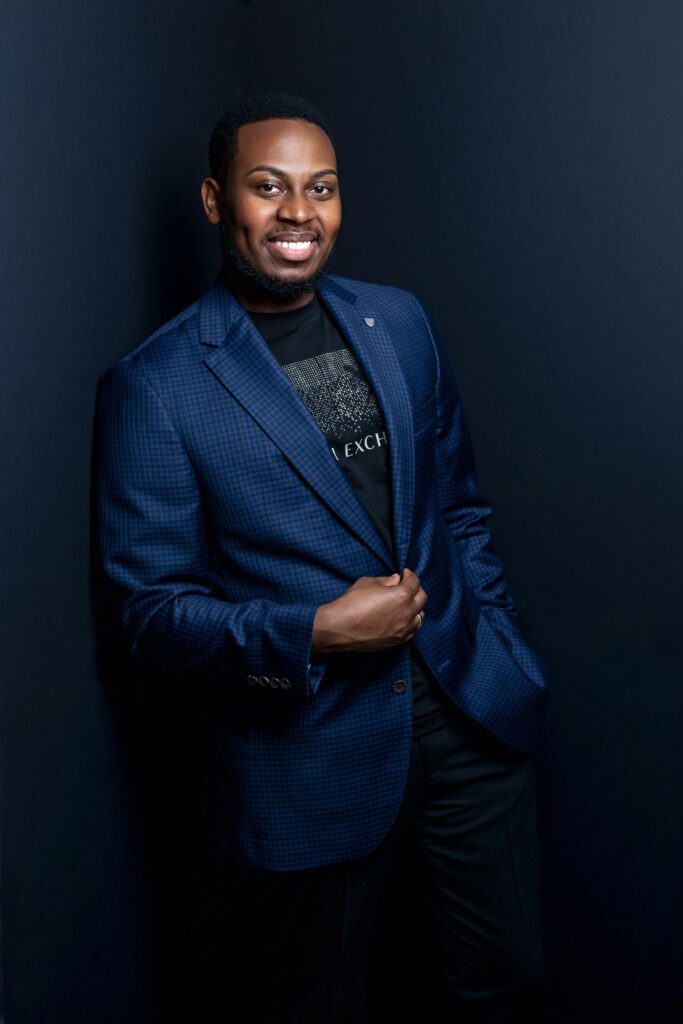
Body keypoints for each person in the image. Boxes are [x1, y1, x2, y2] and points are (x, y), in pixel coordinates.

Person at [93, 91, 550, 1023]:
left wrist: (497, 637)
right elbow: (147, 615)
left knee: (504, 988)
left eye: (321, 188)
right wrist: (313, 632)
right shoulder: (157, 385)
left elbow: (458, 506)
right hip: (309, 754)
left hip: (467, 710)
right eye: (269, 187)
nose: (299, 212)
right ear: (219, 202)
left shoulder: (400, 321)